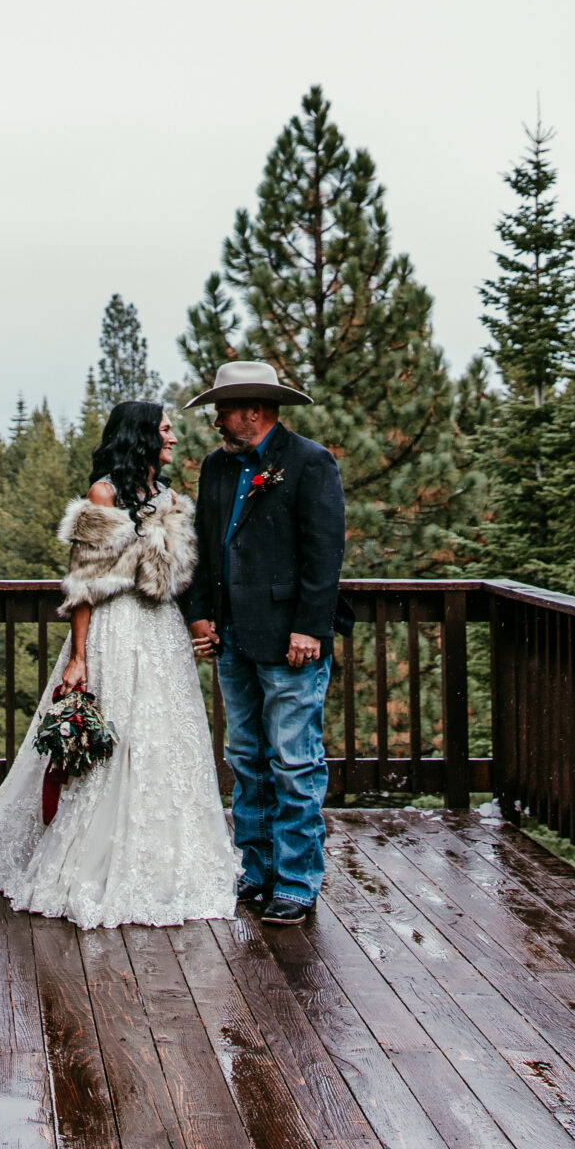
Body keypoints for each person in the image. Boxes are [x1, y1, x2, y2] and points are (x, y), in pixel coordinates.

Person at [0, 400, 239, 927]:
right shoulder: (104, 495)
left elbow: (178, 580)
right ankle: (90, 857)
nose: (174, 439)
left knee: (165, 740)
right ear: (140, 435)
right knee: (109, 743)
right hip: (115, 631)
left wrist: (197, 625)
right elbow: (84, 585)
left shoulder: (170, 498)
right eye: (165, 430)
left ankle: (164, 857)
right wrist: (79, 657)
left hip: (160, 632)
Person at [182, 360, 346, 925]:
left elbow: (324, 556)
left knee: (295, 763)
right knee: (246, 758)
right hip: (232, 639)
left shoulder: (308, 462)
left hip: (290, 641)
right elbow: (205, 545)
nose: (217, 420)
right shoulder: (216, 468)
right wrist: (201, 613)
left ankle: (298, 881)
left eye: (223, 410)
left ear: (253, 411)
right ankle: (258, 870)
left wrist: (310, 627)